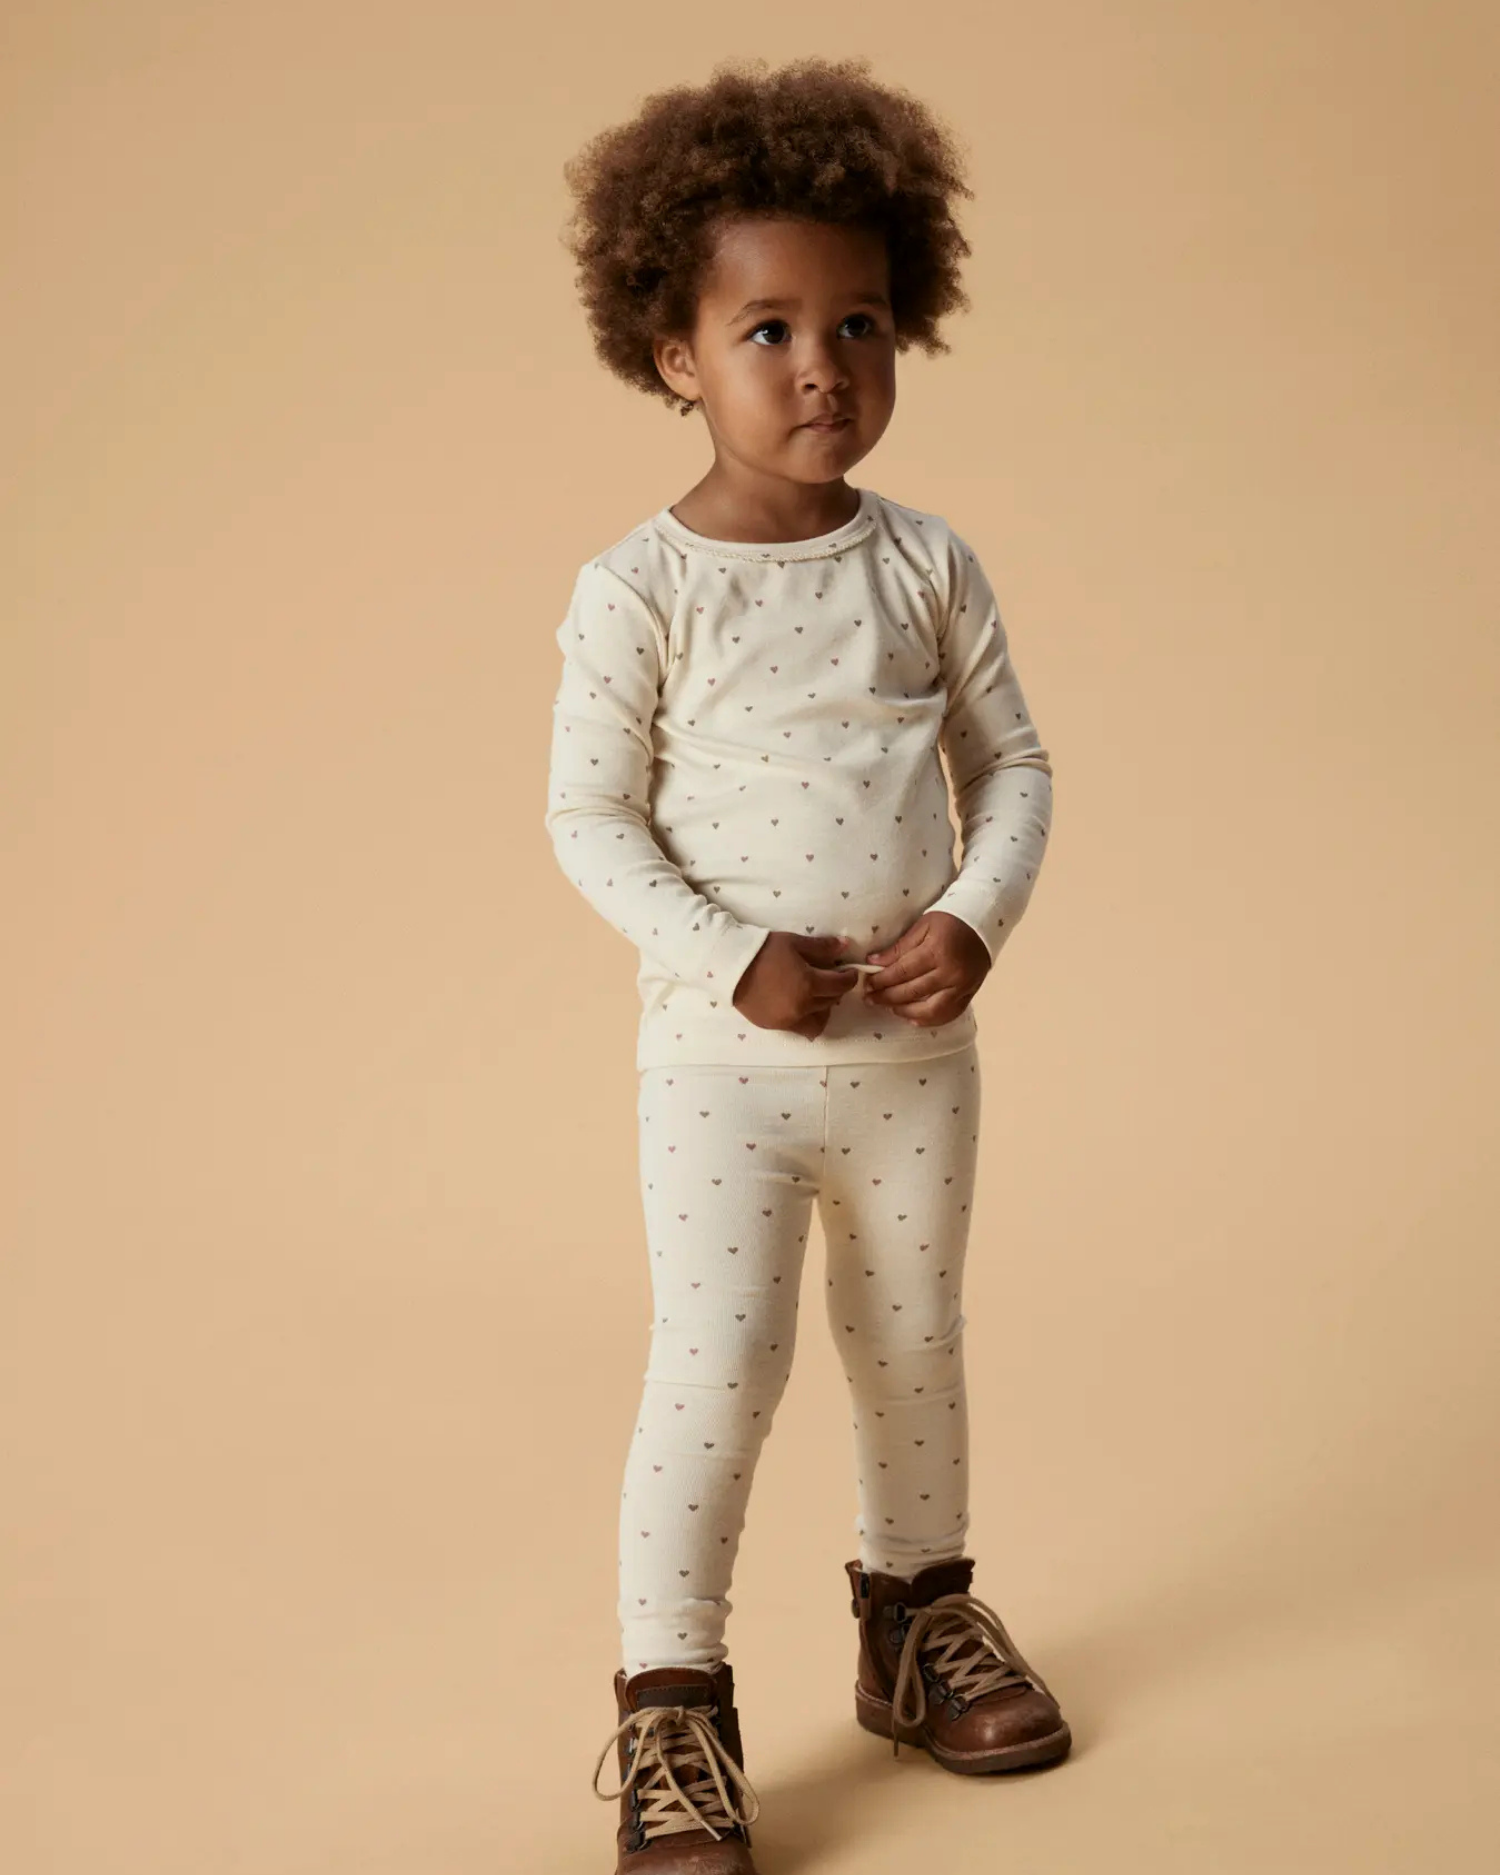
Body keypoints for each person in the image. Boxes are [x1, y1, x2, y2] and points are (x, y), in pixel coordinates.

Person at [546, 54, 1069, 1873]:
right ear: (674, 354)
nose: (821, 364)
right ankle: (671, 1701)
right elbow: (587, 817)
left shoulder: (927, 565)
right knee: (720, 1360)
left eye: (857, 321)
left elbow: (1014, 769)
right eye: (765, 329)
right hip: (725, 1075)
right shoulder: (641, 588)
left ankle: (916, 1623)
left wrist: (972, 920)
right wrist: (728, 958)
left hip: (915, 1069)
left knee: (914, 1338)